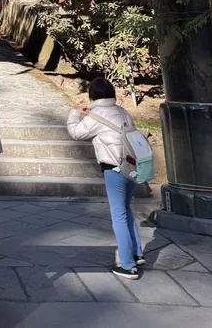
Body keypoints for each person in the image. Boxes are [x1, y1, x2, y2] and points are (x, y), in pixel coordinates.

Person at [67, 77, 145, 280]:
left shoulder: (97, 114)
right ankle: (136, 252)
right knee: (126, 209)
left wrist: (74, 113)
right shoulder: (123, 112)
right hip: (132, 167)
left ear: (92, 95)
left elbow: (76, 133)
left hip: (114, 168)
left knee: (118, 214)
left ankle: (127, 265)